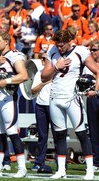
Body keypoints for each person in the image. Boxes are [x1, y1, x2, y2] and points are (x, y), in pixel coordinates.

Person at [41, 29, 99, 180]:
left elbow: (97, 70)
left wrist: (96, 91)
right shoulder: (52, 51)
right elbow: (43, 77)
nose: (59, 48)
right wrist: (56, 67)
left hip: (73, 98)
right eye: (57, 45)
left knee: (82, 135)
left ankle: (90, 171)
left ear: (69, 42)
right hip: (54, 97)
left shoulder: (80, 51)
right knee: (59, 135)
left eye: (62, 45)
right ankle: (61, 170)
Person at [0, 31, 28, 178]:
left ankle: (22, 168)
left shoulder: (15, 55)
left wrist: (7, 81)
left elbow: (23, 75)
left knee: (13, 133)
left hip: (8, 98)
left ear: (7, 42)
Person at [30, 53, 53, 172]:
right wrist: (44, 83)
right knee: (42, 136)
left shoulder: (56, 72)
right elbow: (33, 90)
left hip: (54, 105)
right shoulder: (39, 73)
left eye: (45, 58)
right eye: (42, 58)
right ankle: (39, 162)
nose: (43, 60)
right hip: (41, 105)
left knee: (58, 135)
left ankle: (61, 163)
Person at [84, 40, 99, 173]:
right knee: (93, 131)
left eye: (95, 50)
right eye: (91, 50)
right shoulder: (87, 65)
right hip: (92, 99)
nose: (92, 52)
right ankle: (95, 161)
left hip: (97, 95)